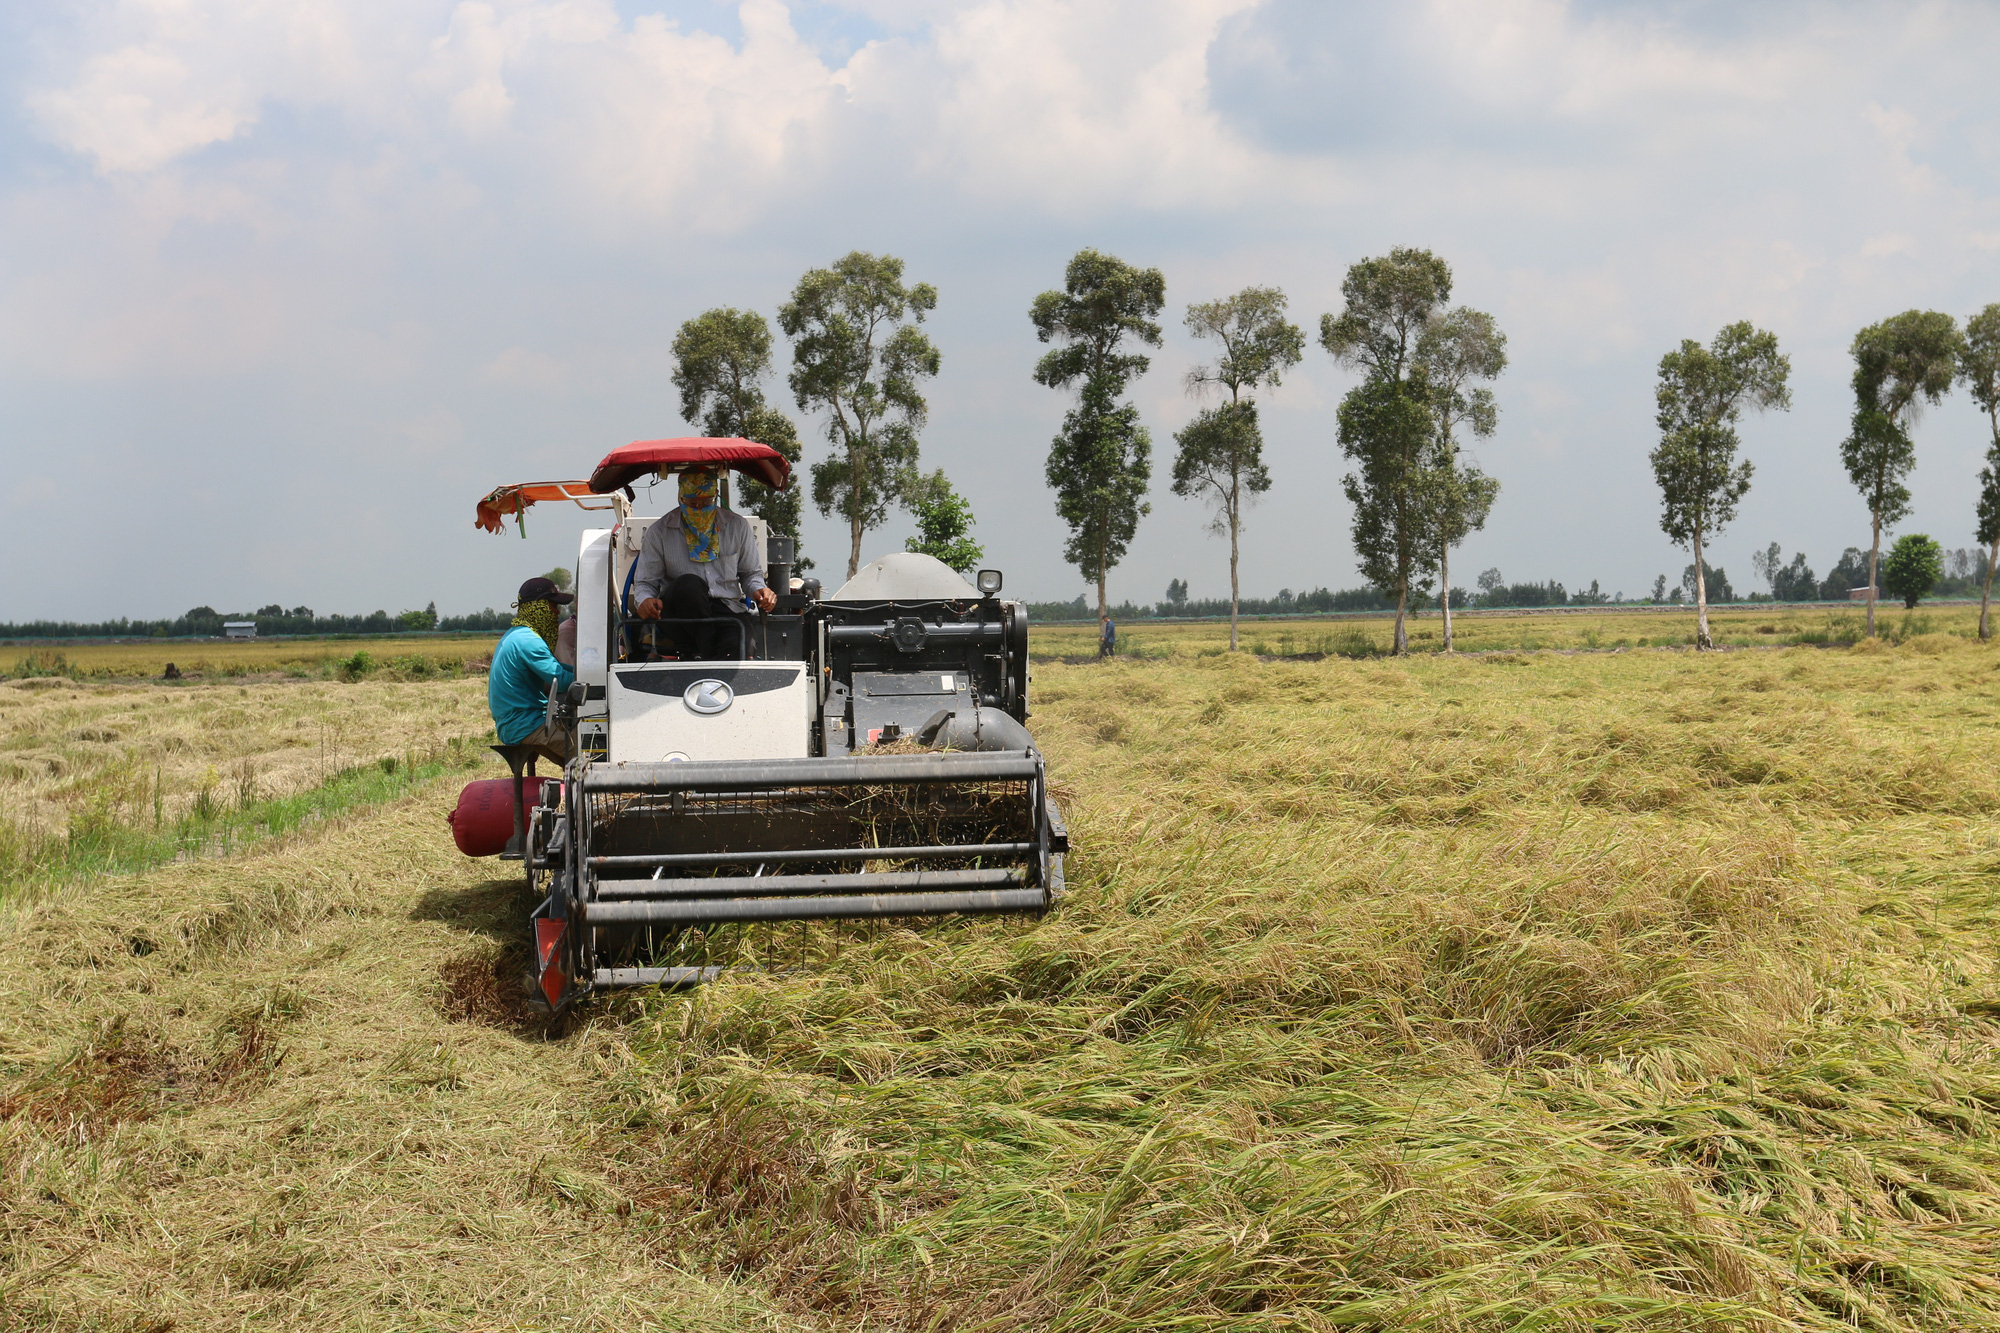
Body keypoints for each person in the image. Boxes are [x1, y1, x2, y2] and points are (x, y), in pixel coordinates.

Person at [630, 467, 777, 659]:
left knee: (740, 646)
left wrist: (760, 590)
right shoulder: (660, 532)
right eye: (692, 503)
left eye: (706, 502)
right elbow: (645, 583)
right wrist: (645, 600)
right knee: (690, 584)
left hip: (726, 607)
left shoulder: (737, 526)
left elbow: (750, 575)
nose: (699, 508)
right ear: (680, 498)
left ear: (715, 496)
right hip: (680, 614)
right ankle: (706, 652)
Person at [489, 576, 576, 766]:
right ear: (540, 607)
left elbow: (558, 668)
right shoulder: (528, 640)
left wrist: (584, 671)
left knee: (574, 758)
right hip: (525, 724)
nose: (557, 612)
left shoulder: (517, 635)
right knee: (592, 745)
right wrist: (593, 679)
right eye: (553, 605)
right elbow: (560, 680)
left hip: (516, 722)